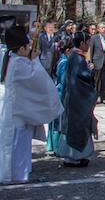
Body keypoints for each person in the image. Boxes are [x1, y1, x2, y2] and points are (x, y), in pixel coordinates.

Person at [0, 25, 63, 184]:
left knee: (17, 144)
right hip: (17, 112)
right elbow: (39, 82)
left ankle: (17, 173)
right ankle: (16, 175)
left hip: (16, 110)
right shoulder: (19, 64)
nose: (30, 48)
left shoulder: (12, 59)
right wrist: (34, 61)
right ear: (21, 48)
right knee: (18, 146)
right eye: (27, 46)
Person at [57, 31, 98, 167]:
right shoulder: (79, 59)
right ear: (82, 43)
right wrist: (90, 73)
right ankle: (74, 157)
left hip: (72, 98)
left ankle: (72, 156)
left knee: (72, 126)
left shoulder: (73, 57)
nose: (88, 46)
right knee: (78, 127)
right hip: (78, 99)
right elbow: (84, 80)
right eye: (87, 43)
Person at [46, 39, 74, 154]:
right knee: (59, 122)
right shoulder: (64, 62)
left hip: (56, 93)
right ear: (67, 50)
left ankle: (53, 144)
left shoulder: (61, 60)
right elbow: (63, 81)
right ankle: (57, 146)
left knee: (56, 121)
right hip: (60, 94)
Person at [88, 22, 105, 103]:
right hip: (97, 61)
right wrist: (90, 62)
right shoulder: (94, 38)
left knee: (104, 80)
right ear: (98, 29)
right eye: (102, 28)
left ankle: (104, 98)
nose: (104, 29)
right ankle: (94, 97)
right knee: (96, 80)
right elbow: (91, 50)